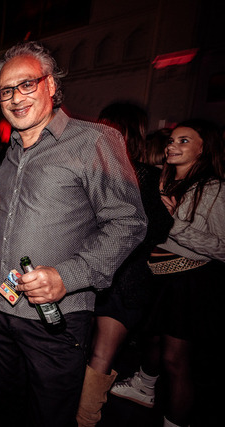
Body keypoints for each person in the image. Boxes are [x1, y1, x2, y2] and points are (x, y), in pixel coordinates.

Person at [0, 41, 147, 427]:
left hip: (54, 318)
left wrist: (66, 276)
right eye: (6, 91)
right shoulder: (11, 150)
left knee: (50, 415)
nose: (16, 97)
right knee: (5, 409)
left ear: (51, 85)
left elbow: (128, 222)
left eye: (27, 84)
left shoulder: (93, 141)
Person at [110, 119, 225, 427]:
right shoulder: (162, 179)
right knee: (152, 343)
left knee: (175, 360)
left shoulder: (214, 189)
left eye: (184, 141)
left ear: (203, 149)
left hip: (188, 282)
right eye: (172, 140)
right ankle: (144, 387)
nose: (172, 145)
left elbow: (222, 247)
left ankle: (175, 422)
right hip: (157, 277)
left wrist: (174, 223)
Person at [76, 102, 173, 426]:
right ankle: (81, 417)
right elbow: (156, 230)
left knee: (94, 352)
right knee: (95, 352)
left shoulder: (105, 172)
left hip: (117, 277)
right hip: (114, 275)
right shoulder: (144, 177)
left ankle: (83, 419)